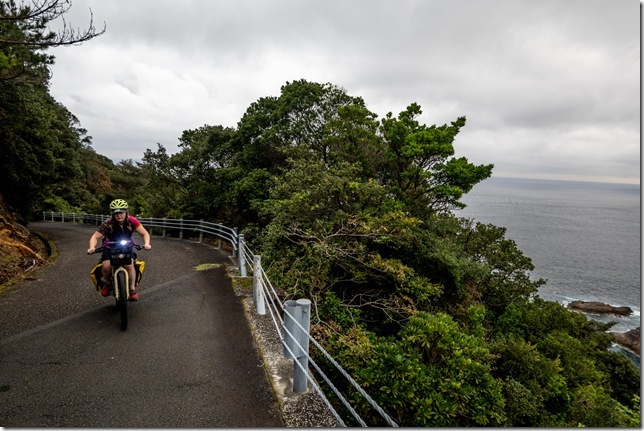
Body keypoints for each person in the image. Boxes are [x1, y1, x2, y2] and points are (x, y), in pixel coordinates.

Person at [87, 199, 151, 301]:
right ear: (112, 214)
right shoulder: (108, 223)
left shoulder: (132, 221)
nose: (119, 215)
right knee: (106, 267)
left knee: (129, 265)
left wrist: (147, 244)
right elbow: (95, 237)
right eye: (116, 213)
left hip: (127, 247)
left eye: (121, 212)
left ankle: (132, 289)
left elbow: (145, 233)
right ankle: (107, 284)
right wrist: (91, 247)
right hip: (109, 247)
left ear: (126, 212)